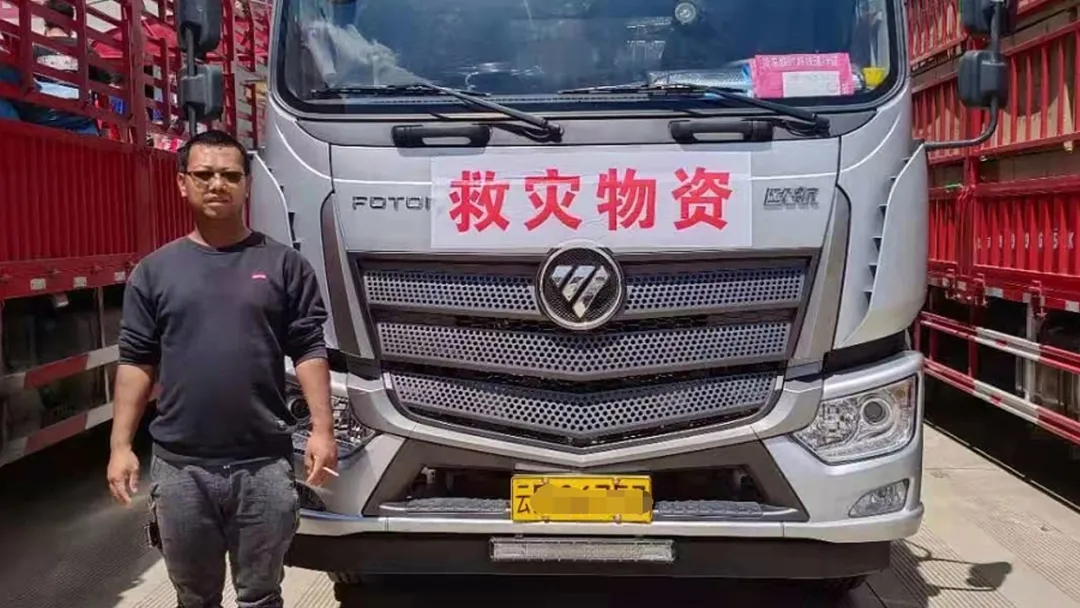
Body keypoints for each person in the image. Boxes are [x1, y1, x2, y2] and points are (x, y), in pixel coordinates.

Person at [105, 129, 339, 608]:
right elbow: (136, 360)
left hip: (263, 465)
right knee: (195, 598)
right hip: (181, 468)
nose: (218, 184)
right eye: (204, 174)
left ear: (247, 185)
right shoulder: (155, 272)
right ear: (182, 183)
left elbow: (309, 349)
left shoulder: (284, 265)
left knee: (261, 595)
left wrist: (323, 430)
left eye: (231, 176)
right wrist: (120, 446)